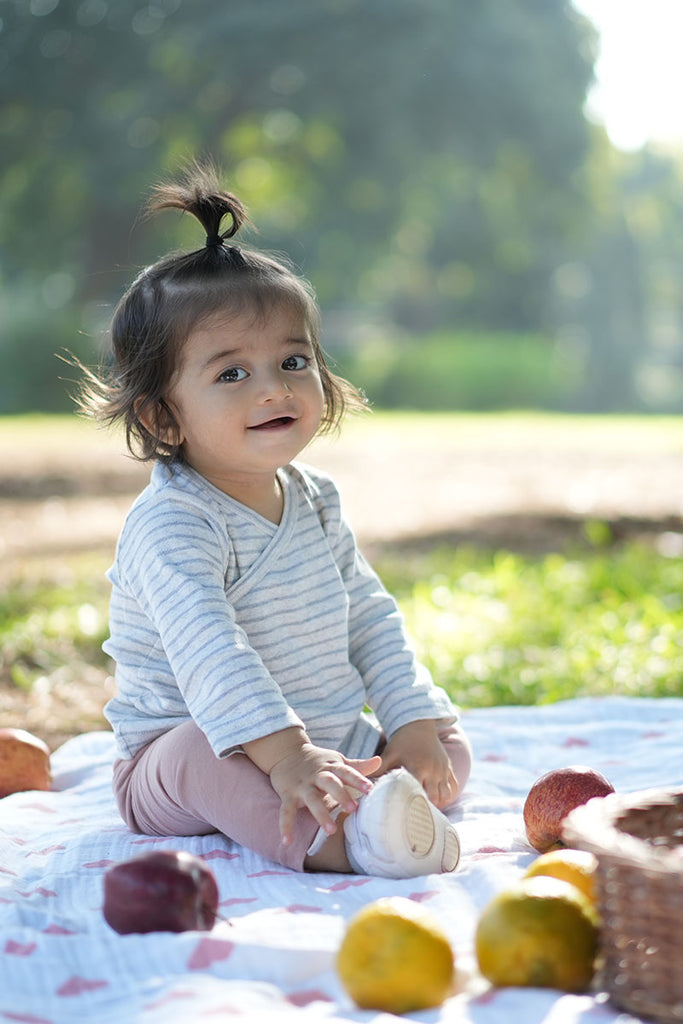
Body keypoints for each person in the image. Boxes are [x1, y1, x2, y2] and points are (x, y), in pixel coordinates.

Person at [79, 163, 472, 876]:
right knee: (201, 756)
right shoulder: (174, 522)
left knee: (446, 744)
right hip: (190, 755)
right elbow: (211, 654)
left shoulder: (315, 497)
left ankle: (373, 803)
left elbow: (367, 618)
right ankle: (342, 844)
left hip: (320, 736)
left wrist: (412, 722)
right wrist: (287, 757)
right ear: (162, 416)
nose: (273, 388)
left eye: (293, 360)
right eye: (232, 373)